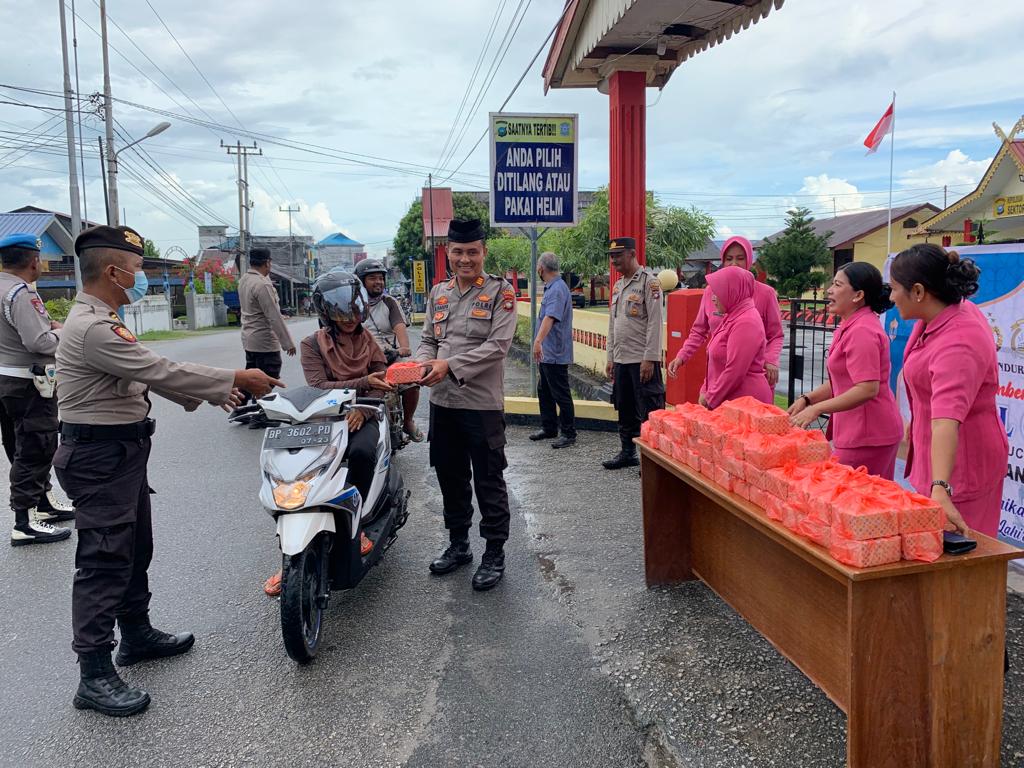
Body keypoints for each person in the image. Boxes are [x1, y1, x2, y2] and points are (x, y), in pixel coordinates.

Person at [55, 225, 280, 718]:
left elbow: (139, 375)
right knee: (104, 560)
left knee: (135, 548)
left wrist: (208, 394)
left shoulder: (105, 320)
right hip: (99, 457)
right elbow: (156, 368)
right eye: (135, 269)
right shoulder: (93, 327)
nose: (139, 277)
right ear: (113, 271)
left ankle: (135, 634)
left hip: (121, 452)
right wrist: (232, 379)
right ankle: (93, 674)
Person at [262, 271, 390, 597]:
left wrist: (362, 408)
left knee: (359, 453)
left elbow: (381, 378)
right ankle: (290, 554)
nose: (348, 319)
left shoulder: (369, 340)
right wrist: (362, 385)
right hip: (321, 417)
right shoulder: (311, 345)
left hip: (365, 411)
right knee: (294, 470)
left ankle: (357, 524)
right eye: (340, 313)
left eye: (353, 311)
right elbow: (318, 386)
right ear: (326, 312)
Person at [417, 218, 516, 591]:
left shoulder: (499, 293)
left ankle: (494, 552)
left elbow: (497, 347)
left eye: (472, 252)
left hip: (481, 405)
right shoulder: (438, 293)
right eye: (458, 252)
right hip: (443, 403)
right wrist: (424, 362)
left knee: (488, 479)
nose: (464, 259)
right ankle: (459, 545)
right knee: (450, 478)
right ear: (449, 253)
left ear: (483, 253)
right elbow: (428, 339)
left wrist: (449, 366)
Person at [889, 243, 1005, 537]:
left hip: (962, 469)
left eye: (894, 288)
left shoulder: (960, 339)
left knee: (962, 561)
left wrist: (941, 487)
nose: (891, 297)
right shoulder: (936, 315)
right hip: (935, 458)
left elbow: (946, 420)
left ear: (918, 291)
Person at [788, 263, 902, 478]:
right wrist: (808, 399)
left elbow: (867, 388)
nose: (829, 290)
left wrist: (815, 410)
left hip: (869, 435)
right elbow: (844, 380)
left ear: (858, 295)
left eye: (838, 285)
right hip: (858, 431)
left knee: (855, 501)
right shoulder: (851, 325)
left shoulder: (862, 331)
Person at [0, 234, 75, 545]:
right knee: (36, 446)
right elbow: (39, 342)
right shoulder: (20, 293)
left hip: (6, 378)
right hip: (29, 381)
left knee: (18, 443)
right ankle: (24, 522)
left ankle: (41, 505)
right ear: (33, 261)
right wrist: (66, 334)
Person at [668, 236, 783, 389]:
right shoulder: (711, 292)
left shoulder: (766, 293)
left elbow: (776, 335)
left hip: (752, 378)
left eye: (740, 258)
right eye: (729, 259)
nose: (734, 264)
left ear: (749, 261)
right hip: (717, 375)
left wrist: (771, 360)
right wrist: (682, 356)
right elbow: (699, 331)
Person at [603, 237, 664, 470]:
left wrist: (650, 358)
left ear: (631, 254)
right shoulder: (618, 285)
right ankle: (627, 452)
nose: (614, 260)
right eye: (611, 256)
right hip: (621, 359)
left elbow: (655, 323)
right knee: (625, 409)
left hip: (641, 361)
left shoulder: (650, 283)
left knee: (650, 412)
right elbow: (613, 323)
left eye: (618, 255)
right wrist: (610, 357)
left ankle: (654, 461)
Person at [353, 257, 423, 442]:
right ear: (360, 281)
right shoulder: (352, 304)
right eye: (372, 278)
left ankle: (408, 421)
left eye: (380, 278)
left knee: (412, 378)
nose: (378, 282)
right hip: (360, 359)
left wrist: (404, 348)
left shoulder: (390, 302)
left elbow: (399, 325)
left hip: (389, 356)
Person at [233, 247, 295, 420]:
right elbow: (273, 316)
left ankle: (239, 406)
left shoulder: (244, 280)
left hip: (249, 337)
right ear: (267, 263)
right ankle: (260, 412)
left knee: (251, 374)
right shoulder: (263, 283)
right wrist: (287, 343)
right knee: (271, 373)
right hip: (264, 339)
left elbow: (257, 309)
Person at [700, 266, 773, 410]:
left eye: (718, 293)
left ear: (732, 292)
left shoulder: (746, 321)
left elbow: (735, 371)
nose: (713, 298)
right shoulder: (733, 316)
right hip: (731, 401)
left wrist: (710, 399)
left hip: (746, 405)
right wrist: (706, 389)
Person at [529, 251, 576, 448]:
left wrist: (538, 341)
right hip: (547, 353)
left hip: (554, 352)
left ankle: (568, 433)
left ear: (541, 269)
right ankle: (549, 427)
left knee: (560, 393)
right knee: (545, 390)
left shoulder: (557, 289)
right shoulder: (553, 287)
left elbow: (550, 317)